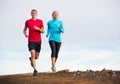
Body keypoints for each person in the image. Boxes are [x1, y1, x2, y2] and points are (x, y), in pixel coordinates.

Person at [23, 9, 44, 76]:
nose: (33, 14)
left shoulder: (40, 21)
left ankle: (31, 59)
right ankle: (35, 70)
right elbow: (24, 30)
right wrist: (25, 34)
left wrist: (38, 29)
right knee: (33, 54)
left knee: (36, 57)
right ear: (31, 14)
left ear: (37, 14)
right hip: (31, 40)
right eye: (32, 13)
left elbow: (43, 31)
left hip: (38, 41)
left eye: (35, 13)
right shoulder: (27, 21)